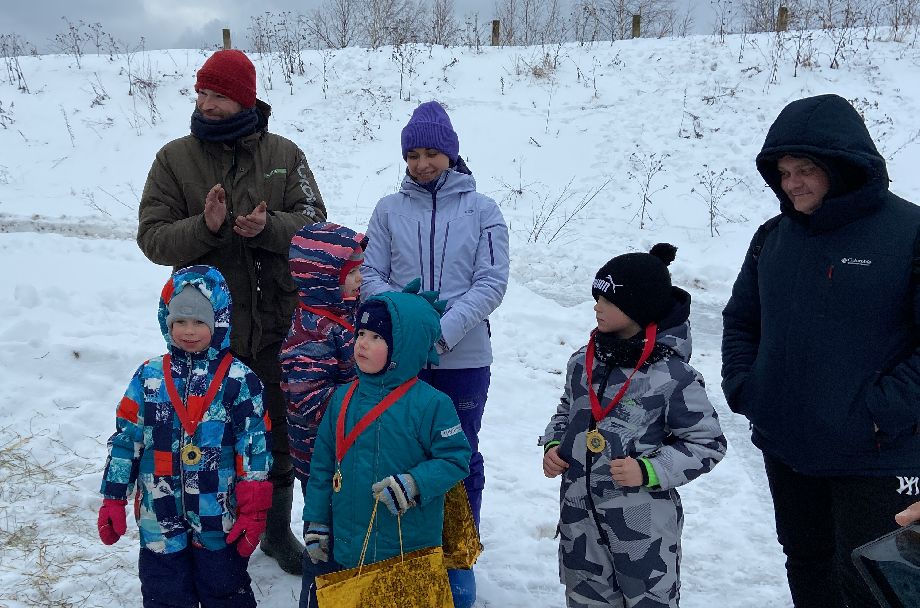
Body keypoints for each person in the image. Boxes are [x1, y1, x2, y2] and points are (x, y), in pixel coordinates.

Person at [721, 93, 920, 608]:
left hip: (875, 457)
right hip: (788, 448)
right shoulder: (773, 237)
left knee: (875, 584)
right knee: (807, 567)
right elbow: (742, 320)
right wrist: (748, 387)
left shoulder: (910, 233)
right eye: (784, 172)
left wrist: (878, 412)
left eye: (805, 169)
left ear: (843, 166)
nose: (792, 184)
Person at [136, 49, 327, 574]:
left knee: (275, 435)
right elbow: (152, 238)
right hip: (204, 334)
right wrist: (207, 227)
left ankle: (274, 531)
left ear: (243, 96)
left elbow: (316, 225)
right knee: (206, 437)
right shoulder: (175, 159)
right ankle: (210, 530)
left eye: (217, 94)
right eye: (201, 93)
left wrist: (269, 228)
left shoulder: (284, 153)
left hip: (276, 325)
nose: (206, 102)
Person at [359, 100, 509, 605]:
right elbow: (372, 277)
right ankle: (405, 552)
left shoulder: (483, 210)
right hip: (401, 360)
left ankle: (457, 557)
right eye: (413, 155)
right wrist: (406, 324)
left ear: (451, 153)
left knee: (457, 452)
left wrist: (437, 331)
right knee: (401, 452)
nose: (422, 164)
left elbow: (490, 282)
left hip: (464, 360)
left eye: (432, 153)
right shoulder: (388, 210)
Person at [540, 244, 727, 608]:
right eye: (596, 298)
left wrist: (649, 470)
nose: (597, 307)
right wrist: (553, 445)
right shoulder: (583, 360)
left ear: (638, 307)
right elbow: (566, 412)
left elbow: (707, 443)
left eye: (608, 301)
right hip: (580, 521)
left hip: (643, 532)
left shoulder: (672, 375)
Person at [97, 265, 271, 608]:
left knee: (224, 589)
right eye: (180, 322)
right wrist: (113, 498)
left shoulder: (238, 380)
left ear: (218, 321)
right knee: (165, 592)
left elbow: (254, 449)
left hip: (217, 515)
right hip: (158, 516)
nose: (188, 331)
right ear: (166, 321)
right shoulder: (149, 377)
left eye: (199, 322)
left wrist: (254, 512)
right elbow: (126, 440)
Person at [299, 283, 472, 608]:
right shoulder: (342, 398)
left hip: (405, 554)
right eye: (361, 333)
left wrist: (414, 484)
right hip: (347, 549)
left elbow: (456, 459)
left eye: (377, 337)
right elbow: (322, 466)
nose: (363, 343)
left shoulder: (432, 405)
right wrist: (317, 521)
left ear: (405, 347)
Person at [281, 221, 368, 490]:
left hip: (345, 443)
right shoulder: (310, 332)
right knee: (325, 523)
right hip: (320, 453)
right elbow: (308, 396)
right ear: (325, 279)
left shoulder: (345, 312)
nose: (360, 278)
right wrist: (366, 403)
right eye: (352, 272)